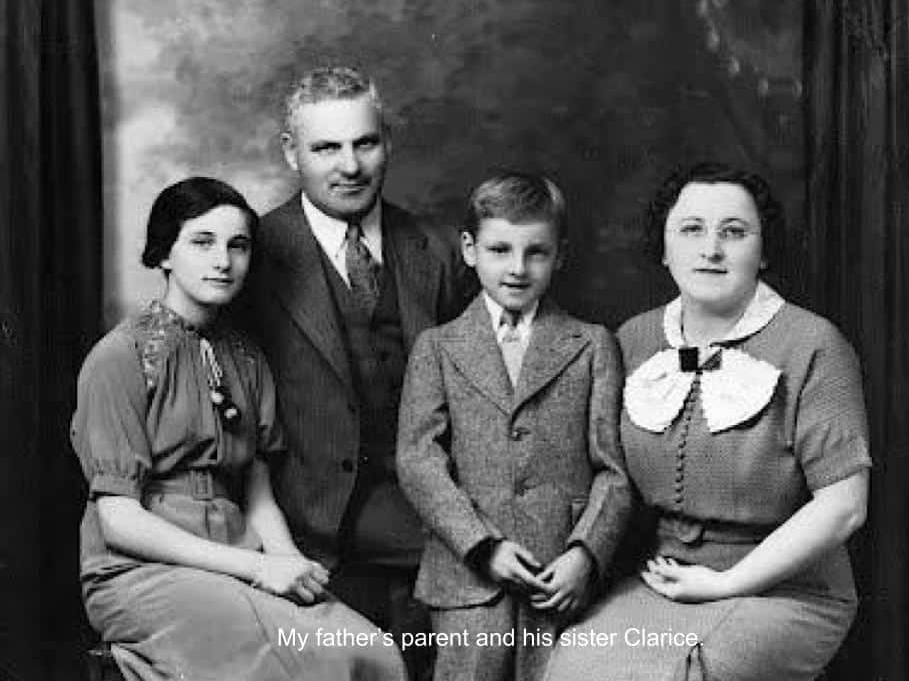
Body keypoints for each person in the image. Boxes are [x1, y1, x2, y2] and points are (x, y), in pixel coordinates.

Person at [544, 162, 872, 681]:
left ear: (763, 252)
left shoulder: (814, 346)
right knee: (571, 666)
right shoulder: (635, 339)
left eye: (734, 232)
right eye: (691, 230)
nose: (711, 249)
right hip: (665, 580)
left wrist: (727, 583)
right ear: (664, 247)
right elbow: (604, 476)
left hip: (787, 591)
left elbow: (844, 508)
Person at [72, 177, 407, 681]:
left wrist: (290, 564)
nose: (223, 260)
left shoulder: (247, 358)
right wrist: (256, 569)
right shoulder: (120, 357)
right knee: (309, 663)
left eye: (238, 245)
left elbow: (257, 495)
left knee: (373, 651)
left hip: (236, 553)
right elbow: (119, 519)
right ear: (164, 254)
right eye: (202, 242)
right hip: (141, 572)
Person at [242, 65, 469, 676]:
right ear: (291, 154)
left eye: (364, 143)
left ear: (386, 143)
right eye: (326, 148)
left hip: (433, 523)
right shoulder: (255, 257)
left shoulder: (439, 250)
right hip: (317, 530)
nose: (349, 165)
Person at [397, 173, 633, 681]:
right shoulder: (437, 348)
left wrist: (584, 556)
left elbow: (614, 470)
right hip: (467, 580)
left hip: (559, 576)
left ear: (560, 255)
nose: (518, 268)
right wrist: (482, 546)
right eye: (500, 249)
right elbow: (418, 461)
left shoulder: (592, 345)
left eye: (536, 252)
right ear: (469, 249)